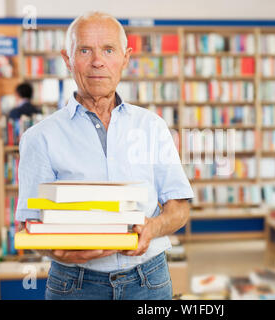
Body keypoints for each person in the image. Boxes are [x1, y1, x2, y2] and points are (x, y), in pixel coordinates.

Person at [15, 11, 193, 300]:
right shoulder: (39, 137)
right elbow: (29, 221)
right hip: (74, 284)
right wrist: (53, 249)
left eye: (108, 50)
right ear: (67, 59)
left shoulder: (152, 126)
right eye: (85, 50)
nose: (98, 61)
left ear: (125, 57)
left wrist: (152, 227)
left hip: (148, 281)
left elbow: (179, 207)